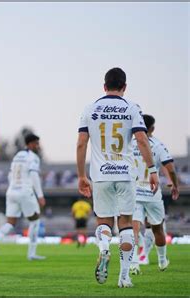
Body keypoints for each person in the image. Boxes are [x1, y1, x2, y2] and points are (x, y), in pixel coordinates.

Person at [76, 67, 159, 288]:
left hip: (101, 174)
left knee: (103, 221)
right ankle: (124, 277)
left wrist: (82, 176)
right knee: (125, 224)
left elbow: (81, 143)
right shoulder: (131, 108)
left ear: (104, 86)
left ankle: (104, 248)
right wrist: (152, 170)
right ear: (124, 87)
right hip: (125, 173)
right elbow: (142, 140)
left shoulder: (90, 108)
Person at [130, 114, 179, 274]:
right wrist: (174, 185)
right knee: (158, 229)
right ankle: (162, 260)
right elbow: (170, 168)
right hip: (152, 193)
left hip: (133, 192)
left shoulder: (129, 143)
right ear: (152, 128)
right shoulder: (158, 145)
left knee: (134, 229)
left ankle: (134, 263)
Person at [0, 133, 46, 261]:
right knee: (35, 220)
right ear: (30, 144)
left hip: (12, 191)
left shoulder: (17, 156)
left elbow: (10, 175)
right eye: (36, 143)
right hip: (25, 191)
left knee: (10, 223)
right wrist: (40, 195)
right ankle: (31, 253)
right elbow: (34, 176)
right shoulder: (33, 157)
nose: (38, 146)